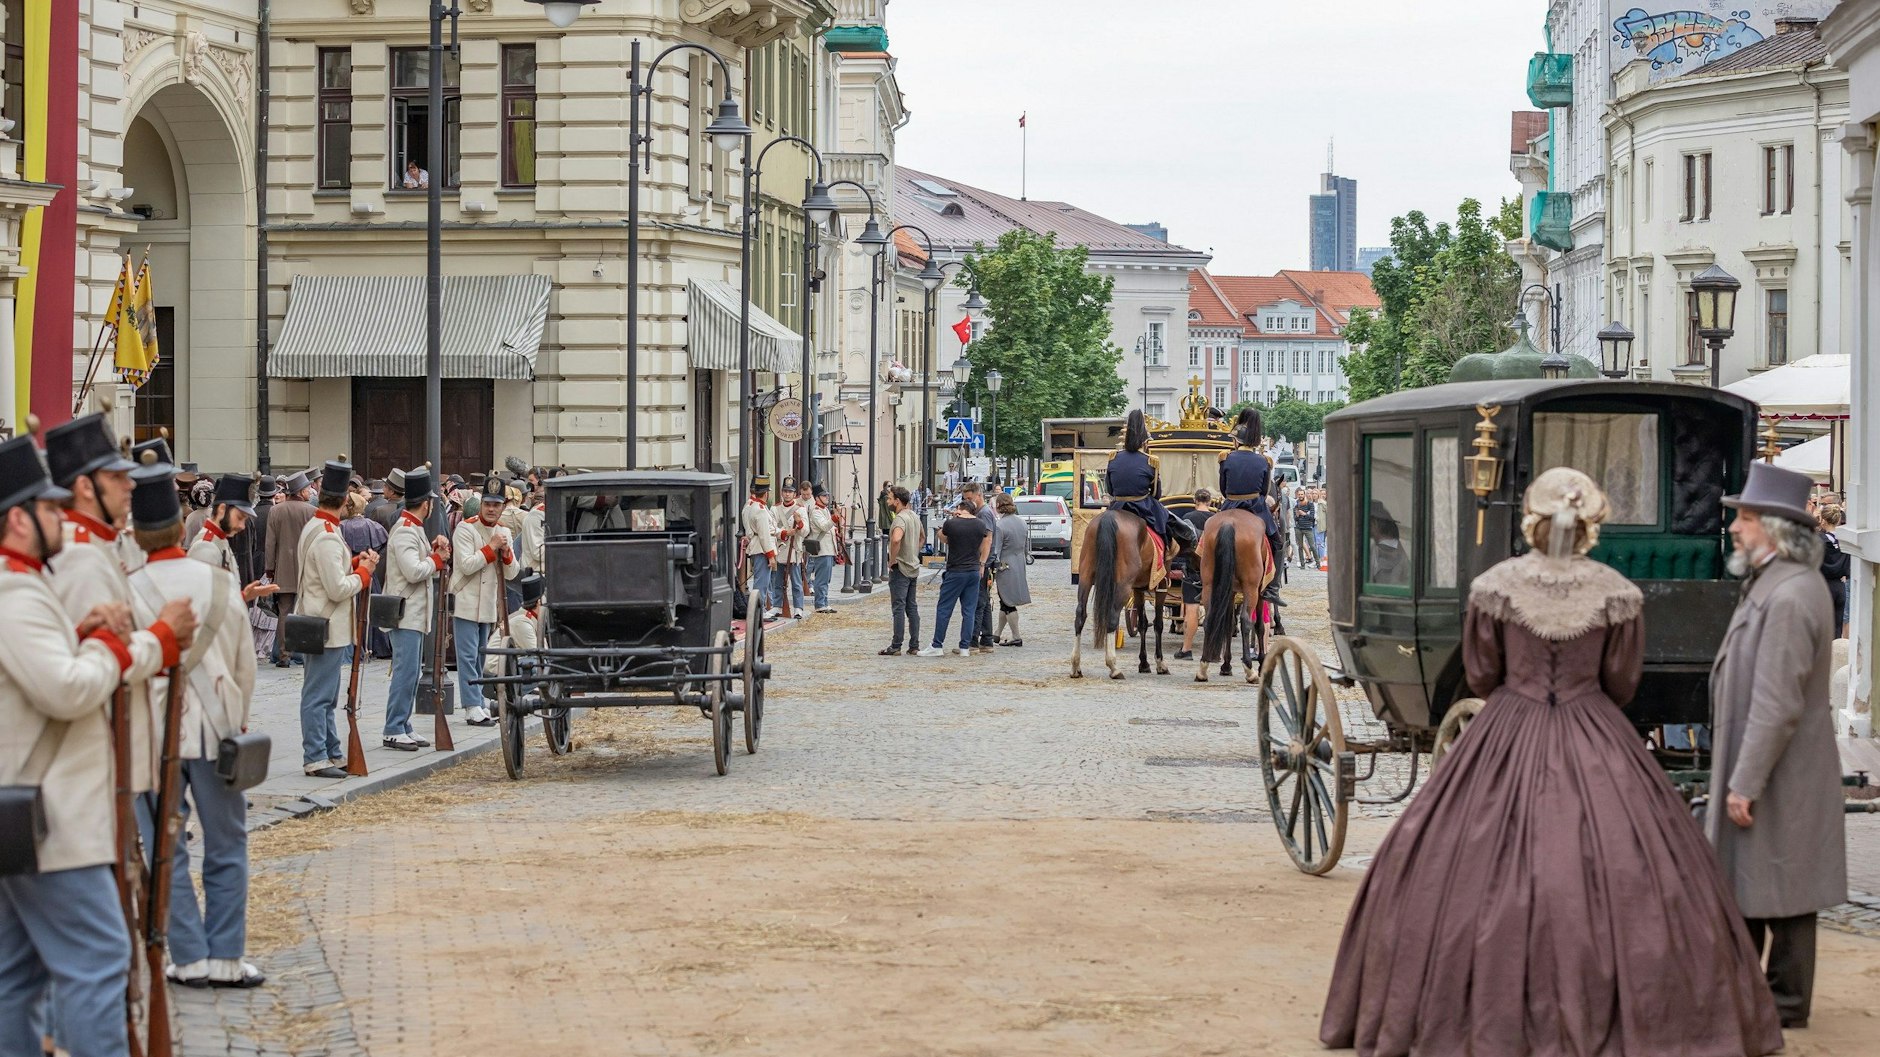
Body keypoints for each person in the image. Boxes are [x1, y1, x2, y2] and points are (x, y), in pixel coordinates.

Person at [1321, 467, 1782, 1057]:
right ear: (1592, 525)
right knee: (1644, 868)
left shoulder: (1496, 587)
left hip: (1509, 725)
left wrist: (1522, 694)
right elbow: (1622, 681)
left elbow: (1483, 676)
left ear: (1531, 522)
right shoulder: (1616, 592)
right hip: (1597, 732)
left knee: (1445, 865)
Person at [0, 432, 196, 1057]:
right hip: (57, 805)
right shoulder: (29, 586)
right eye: (47, 507)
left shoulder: (36, 578)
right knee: (99, 960)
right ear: (17, 518)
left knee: (20, 973)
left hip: (39, 800)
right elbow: (69, 685)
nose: (60, 516)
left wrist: (89, 636)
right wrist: (145, 642)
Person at [1707, 462, 1847, 1030]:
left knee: (1783, 885)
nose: (1735, 528)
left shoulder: (1788, 594)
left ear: (1772, 526)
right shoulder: (1777, 582)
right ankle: (1756, 995)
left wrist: (1746, 781)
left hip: (1777, 768)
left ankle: (1783, 1004)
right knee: (1762, 880)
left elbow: (1776, 702)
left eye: (1743, 517)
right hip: (1773, 765)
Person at [125, 458, 263, 989]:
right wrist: (238, 721)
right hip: (214, 729)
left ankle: (188, 957)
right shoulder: (217, 582)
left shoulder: (126, 587)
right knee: (227, 844)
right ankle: (226, 957)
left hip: (151, 736)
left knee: (165, 847)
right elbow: (244, 665)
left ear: (136, 533)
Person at [294, 459, 378, 777]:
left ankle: (329, 750)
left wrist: (355, 562)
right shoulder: (328, 535)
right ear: (344, 500)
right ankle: (315, 755)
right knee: (319, 696)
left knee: (326, 694)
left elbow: (326, 573)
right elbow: (338, 588)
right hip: (326, 625)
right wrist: (364, 574)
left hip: (321, 623)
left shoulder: (318, 527)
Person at [383, 466, 451, 751]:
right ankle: (393, 727)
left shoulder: (412, 529)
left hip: (412, 614)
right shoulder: (406, 531)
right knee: (405, 672)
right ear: (427, 503)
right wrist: (436, 559)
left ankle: (403, 724)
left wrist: (432, 552)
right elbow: (414, 571)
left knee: (410, 672)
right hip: (406, 613)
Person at [451, 476, 520, 727]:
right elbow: (467, 565)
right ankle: (471, 706)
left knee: (480, 656)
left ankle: (478, 700)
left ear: (503, 506)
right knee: (468, 656)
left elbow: (512, 574)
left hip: (488, 603)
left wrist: (507, 554)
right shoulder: (466, 529)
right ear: (481, 505)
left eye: (497, 504)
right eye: (488, 504)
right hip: (466, 600)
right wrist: (491, 548)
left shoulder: (504, 531)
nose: (492, 509)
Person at [1106, 409, 1197, 554]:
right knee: (1167, 525)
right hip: (1143, 507)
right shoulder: (1150, 461)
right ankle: (1167, 551)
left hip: (1117, 506)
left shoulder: (1113, 458)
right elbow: (1156, 494)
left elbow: (1109, 490)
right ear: (1145, 442)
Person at [1217, 408, 1283, 606]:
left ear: (1237, 441)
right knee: (1277, 543)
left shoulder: (1226, 458)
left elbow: (1222, 488)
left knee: (1205, 540)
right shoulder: (1264, 461)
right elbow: (1264, 491)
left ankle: (1203, 580)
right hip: (1256, 506)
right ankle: (1272, 588)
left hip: (1229, 505)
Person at [917, 499, 992, 657]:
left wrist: (940, 529)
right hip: (973, 570)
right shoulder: (980, 525)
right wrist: (982, 563)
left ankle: (937, 645)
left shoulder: (952, 524)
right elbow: (984, 542)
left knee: (944, 608)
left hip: (956, 570)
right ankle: (965, 647)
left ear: (959, 508)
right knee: (969, 610)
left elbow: (944, 538)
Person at [265, 470, 317, 668]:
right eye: (307, 489)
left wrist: (269, 569)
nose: (310, 492)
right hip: (307, 569)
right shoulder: (311, 511)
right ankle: (303, 654)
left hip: (283, 569)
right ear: (301, 491)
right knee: (305, 611)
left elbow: (270, 544)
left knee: (284, 613)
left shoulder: (276, 511)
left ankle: (284, 656)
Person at [1173, 488, 1215, 661]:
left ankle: (1187, 649)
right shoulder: (1216, 520)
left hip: (1193, 568)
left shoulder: (1188, 518)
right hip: (1213, 568)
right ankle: (1213, 649)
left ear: (1195, 502)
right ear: (1210, 502)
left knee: (1191, 608)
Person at [881, 486, 922, 656]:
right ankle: (914, 645)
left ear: (898, 501)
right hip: (913, 566)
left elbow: (896, 539)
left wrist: (892, 560)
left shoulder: (900, 519)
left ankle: (896, 645)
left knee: (898, 607)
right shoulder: (914, 516)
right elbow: (922, 537)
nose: (888, 501)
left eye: (890, 498)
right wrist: (914, 552)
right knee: (911, 607)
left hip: (901, 568)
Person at [962, 482, 1000, 653]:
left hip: (983, 563)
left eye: (970, 498)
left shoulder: (983, 514)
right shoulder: (983, 512)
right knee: (983, 602)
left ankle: (973, 642)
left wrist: (981, 563)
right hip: (986, 561)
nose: (968, 502)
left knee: (978, 601)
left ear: (979, 495)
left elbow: (987, 539)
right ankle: (987, 640)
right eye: (965, 499)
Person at [991, 492, 1031, 647]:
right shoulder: (1022, 523)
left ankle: (1016, 636)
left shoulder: (1000, 526)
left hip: (1005, 566)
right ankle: (997, 633)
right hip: (1019, 564)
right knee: (1005, 600)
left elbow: (997, 551)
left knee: (1008, 602)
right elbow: (1025, 548)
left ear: (999, 506)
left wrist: (992, 567)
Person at [742, 480, 779, 620]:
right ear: (766, 493)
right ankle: (760, 611)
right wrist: (771, 555)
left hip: (757, 546)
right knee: (762, 583)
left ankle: (760, 609)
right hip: (762, 549)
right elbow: (764, 535)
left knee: (761, 582)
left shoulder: (752, 506)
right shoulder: (760, 510)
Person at [773, 485, 808, 619]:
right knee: (778, 581)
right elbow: (771, 528)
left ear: (794, 494)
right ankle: (777, 606)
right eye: (785, 491)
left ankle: (798, 608)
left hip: (794, 550)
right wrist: (785, 533)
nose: (787, 494)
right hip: (781, 548)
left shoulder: (801, 510)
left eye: (790, 492)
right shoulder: (775, 509)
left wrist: (799, 523)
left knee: (796, 581)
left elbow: (805, 532)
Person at [1818, 501, 1850, 637]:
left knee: (1821, 628)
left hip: (1823, 585)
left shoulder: (1818, 540)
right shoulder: (1845, 539)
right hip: (1840, 586)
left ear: (1823, 520)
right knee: (1837, 628)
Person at [803, 482, 837, 614]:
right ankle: (820, 604)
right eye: (823, 495)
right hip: (822, 549)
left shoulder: (824, 509)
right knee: (821, 579)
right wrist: (834, 518)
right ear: (817, 498)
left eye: (826, 495)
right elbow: (824, 526)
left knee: (826, 578)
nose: (826, 497)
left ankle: (824, 602)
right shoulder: (816, 511)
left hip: (828, 549)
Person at [1294, 485, 1321, 569]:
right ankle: (1302, 565)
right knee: (1300, 547)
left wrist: (1304, 514)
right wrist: (1298, 516)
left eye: (1302, 494)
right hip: (1299, 528)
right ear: (1297, 495)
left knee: (1312, 546)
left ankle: (1318, 563)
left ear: (1304, 495)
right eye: (1299, 494)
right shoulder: (1296, 505)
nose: (1300, 496)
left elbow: (1312, 517)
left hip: (1308, 528)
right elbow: (1295, 518)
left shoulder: (1310, 504)